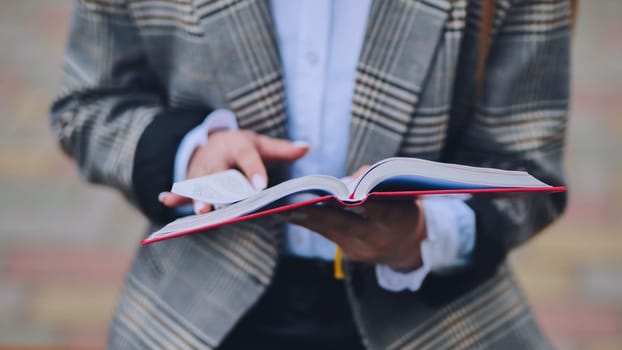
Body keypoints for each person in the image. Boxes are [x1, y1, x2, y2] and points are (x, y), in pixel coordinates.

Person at [51, 0, 572, 348]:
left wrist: (423, 234)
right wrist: (190, 153)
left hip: (434, 317)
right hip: (195, 305)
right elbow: (87, 105)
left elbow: (528, 168)